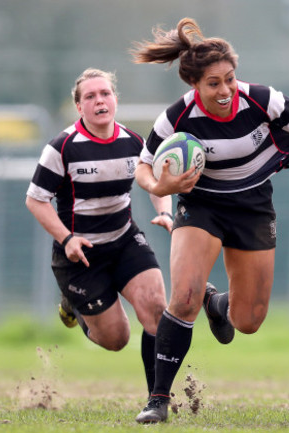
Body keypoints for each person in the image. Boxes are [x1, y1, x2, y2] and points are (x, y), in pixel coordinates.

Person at [129, 17, 289, 423]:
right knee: (183, 297)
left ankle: (217, 302)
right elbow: (143, 167)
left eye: (229, 79)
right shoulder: (174, 119)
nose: (225, 90)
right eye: (213, 83)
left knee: (249, 321)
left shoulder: (260, 99)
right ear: (195, 86)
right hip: (201, 206)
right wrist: (159, 187)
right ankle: (158, 399)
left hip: (253, 207)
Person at [25, 68, 171, 399]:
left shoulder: (134, 142)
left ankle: (157, 399)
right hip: (79, 255)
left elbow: (157, 181)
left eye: (105, 93)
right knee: (116, 339)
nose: (99, 100)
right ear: (79, 107)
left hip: (124, 240)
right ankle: (73, 307)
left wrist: (163, 210)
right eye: (90, 96)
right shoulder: (62, 148)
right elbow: (35, 200)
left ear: (115, 99)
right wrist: (67, 239)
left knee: (156, 310)